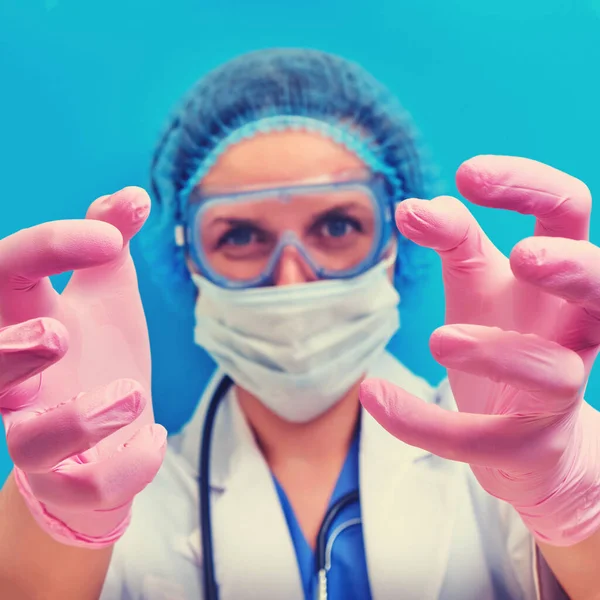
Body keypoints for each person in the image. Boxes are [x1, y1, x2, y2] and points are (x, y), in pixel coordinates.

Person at [0, 48, 599, 600]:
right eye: (239, 235)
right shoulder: (125, 500)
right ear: (190, 262)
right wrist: (57, 521)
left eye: (338, 227)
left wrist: (573, 498)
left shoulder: (517, 462)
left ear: (394, 242)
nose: (292, 280)